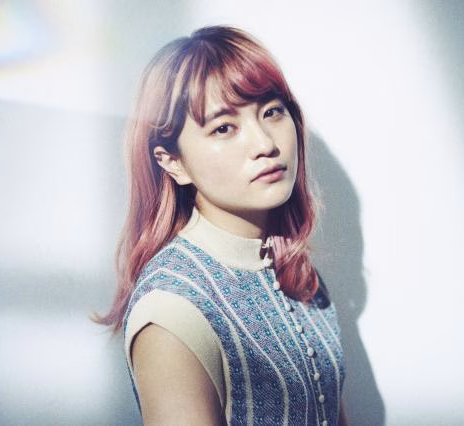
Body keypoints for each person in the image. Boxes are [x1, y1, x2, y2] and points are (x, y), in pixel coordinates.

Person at [98, 26, 346, 425]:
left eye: (272, 111)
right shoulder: (173, 307)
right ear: (172, 162)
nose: (265, 143)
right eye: (224, 128)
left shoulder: (294, 266)